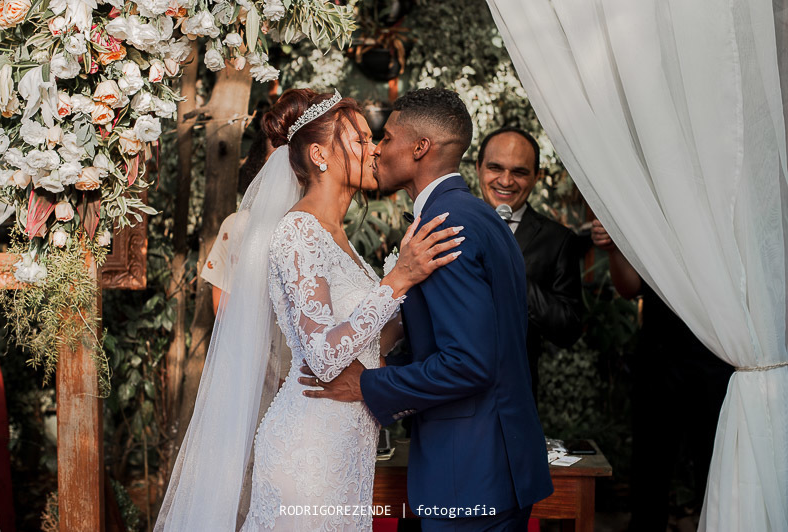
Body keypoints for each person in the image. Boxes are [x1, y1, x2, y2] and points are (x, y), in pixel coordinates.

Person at [155, 89, 463, 531]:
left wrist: (407, 289)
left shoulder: (340, 240)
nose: (373, 148)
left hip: (347, 444)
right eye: (359, 140)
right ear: (319, 154)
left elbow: (372, 344)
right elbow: (323, 355)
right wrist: (396, 282)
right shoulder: (298, 232)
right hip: (309, 452)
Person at [299, 88, 553, 531]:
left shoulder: (445, 227)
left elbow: (469, 364)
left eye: (388, 137)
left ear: (420, 149)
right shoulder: (478, 215)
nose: (378, 148)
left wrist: (370, 385)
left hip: (470, 471)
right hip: (497, 460)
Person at [591, 219, 733, 532]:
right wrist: (616, 248)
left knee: (715, 472)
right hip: (658, 358)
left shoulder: (727, 217)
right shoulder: (656, 216)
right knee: (649, 471)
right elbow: (630, 289)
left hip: (720, 362)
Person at [476, 127, 583, 398]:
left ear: (536, 177)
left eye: (519, 172)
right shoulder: (448, 223)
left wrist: (512, 274)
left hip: (513, 397)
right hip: (442, 396)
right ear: (478, 168)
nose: (506, 180)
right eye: (495, 168)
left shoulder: (557, 241)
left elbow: (568, 329)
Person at [202, 120, 276, 314]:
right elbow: (221, 308)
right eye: (274, 161)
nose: (283, 171)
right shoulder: (237, 225)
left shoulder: (316, 225)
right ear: (260, 166)